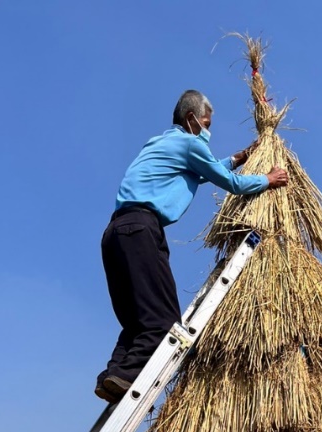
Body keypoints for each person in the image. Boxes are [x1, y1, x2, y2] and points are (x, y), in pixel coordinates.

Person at [96, 89, 288, 403]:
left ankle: (115, 375)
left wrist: (237, 158)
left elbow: (196, 174)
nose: (208, 130)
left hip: (116, 232)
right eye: (206, 122)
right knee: (164, 323)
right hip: (143, 229)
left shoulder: (161, 143)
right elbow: (232, 184)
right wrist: (268, 179)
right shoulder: (189, 143)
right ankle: (130, 374)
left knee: (137, 320)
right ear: (191, 119)